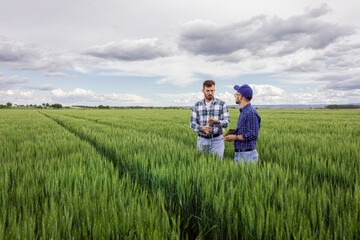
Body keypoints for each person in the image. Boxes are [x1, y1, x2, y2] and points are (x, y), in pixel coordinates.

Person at [190, 80, 230, 159]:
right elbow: (192, 124)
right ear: (203, 91)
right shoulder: (197, 105)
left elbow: (227, 123)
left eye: (212, 90)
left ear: (214, 90)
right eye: (207, 91)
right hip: (202, 140)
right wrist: (201, 128)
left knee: (217, 166)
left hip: (217, 140)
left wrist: (216, 122)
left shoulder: (222, 104)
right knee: (202, 166)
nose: (210, 93)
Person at [222, 84, 261, 165]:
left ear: (241, 97)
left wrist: (235, 137)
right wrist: (233, 136)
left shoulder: (251, 113)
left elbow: (253, 135)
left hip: (247, 155)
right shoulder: (244, 112)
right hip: (241, 154)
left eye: (236, 94)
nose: (235, 97)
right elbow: (245, 132)